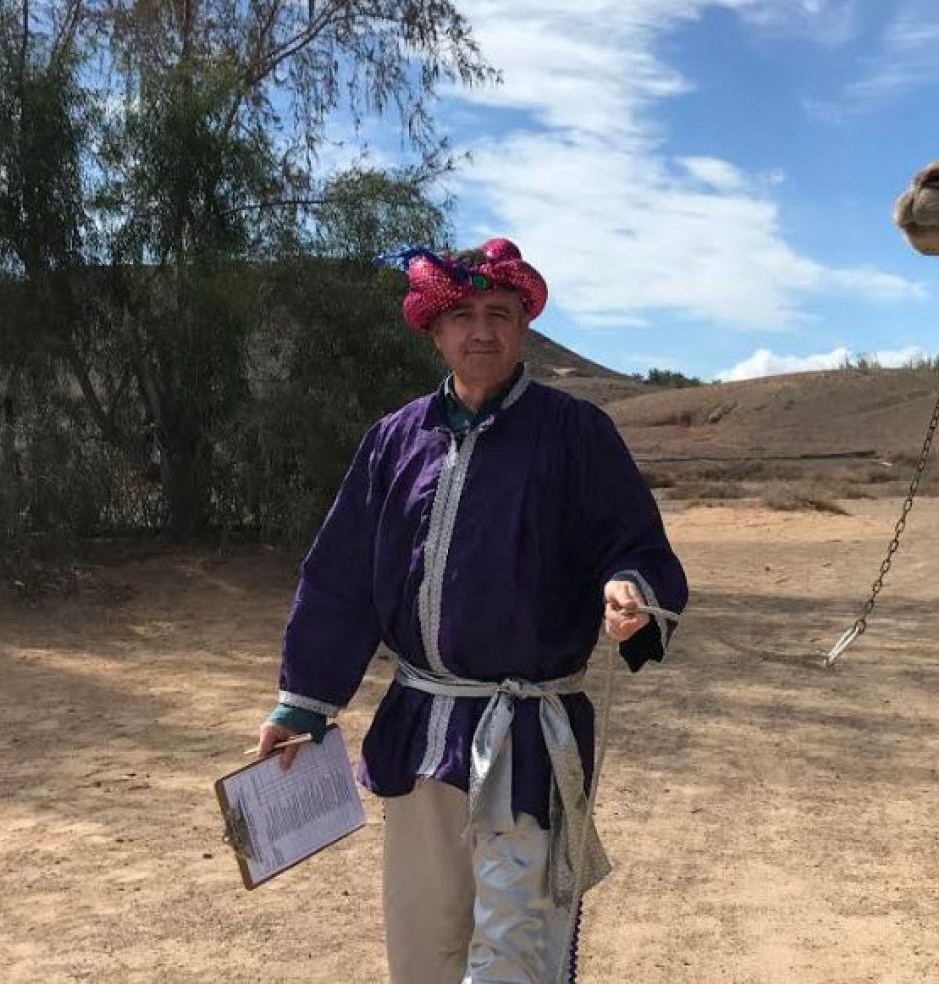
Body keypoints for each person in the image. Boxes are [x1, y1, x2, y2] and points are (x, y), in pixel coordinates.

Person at [254, 238, 688, 984]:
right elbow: (341, 579)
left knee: (514, 953)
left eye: (500, 313)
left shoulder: (577, 436)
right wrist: (303, 703)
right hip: (419, 728)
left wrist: (630, 590)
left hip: (527, 740)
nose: (481, 331)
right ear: (434, 328)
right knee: (423, 942)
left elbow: (634, 542)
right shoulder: (393, 442)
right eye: (462, 315)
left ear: (523, 327)